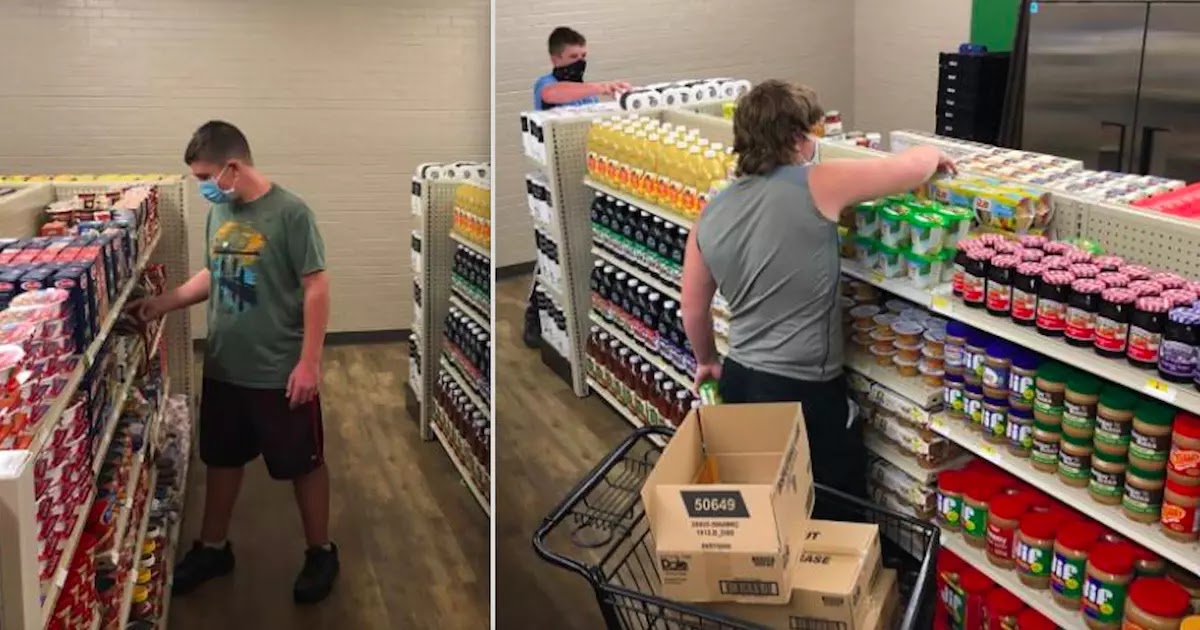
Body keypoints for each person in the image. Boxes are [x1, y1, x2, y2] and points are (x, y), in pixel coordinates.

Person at [680, 80, 956, 504]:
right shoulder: (820, 183)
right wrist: (933, 153)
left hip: (739, 379)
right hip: (804, 389)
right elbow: (909, 169)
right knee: (831, 506)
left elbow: (694, 311)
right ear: (797, 136)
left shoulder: (712, 209)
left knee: (765, 503)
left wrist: (707, 361)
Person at [129, 121, 337, 603]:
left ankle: (320, 550)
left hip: (278, 372)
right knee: (221, 460)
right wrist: (166, 301)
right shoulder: (219, 214)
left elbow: (316, 287)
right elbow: (216, 270)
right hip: (225, 367)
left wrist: (309, 363)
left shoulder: (291, 214)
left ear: (233, 167)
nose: (202, 186)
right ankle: (213, 548)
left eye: (205, 175)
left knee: (302, 464)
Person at [524, 27, 632, 347]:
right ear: (555, 58)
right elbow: (554, 96)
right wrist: (600, 87)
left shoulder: (584, 91)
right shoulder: (547, 86)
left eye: (584, 56)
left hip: (585, 179)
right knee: (552, 249)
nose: (580, 61)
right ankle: (534, 311)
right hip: (554, 183)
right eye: (573, 57)